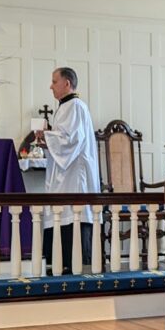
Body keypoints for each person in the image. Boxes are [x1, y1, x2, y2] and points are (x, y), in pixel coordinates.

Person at [40, 67, 100, 274]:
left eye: (54, 81)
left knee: (72, 214)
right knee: (61, 213)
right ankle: (60, 263)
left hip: (75, 176)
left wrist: (46, 136)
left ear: (67, 83)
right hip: (65, 174)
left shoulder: (75, 106)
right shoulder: (66, 107)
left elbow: (72, 139)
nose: (51, 86)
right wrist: (48, 140)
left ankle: (73, 265)